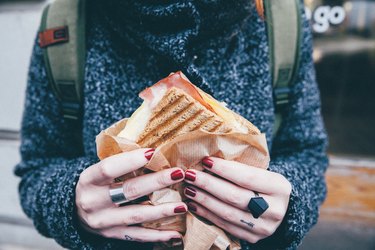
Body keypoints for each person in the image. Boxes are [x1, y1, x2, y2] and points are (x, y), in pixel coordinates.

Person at [15, 0, 328, 249]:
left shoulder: (282, 20)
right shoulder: (64, 27)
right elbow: (38, 167)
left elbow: (306, 153)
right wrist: (72, 204)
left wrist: (288, 206)